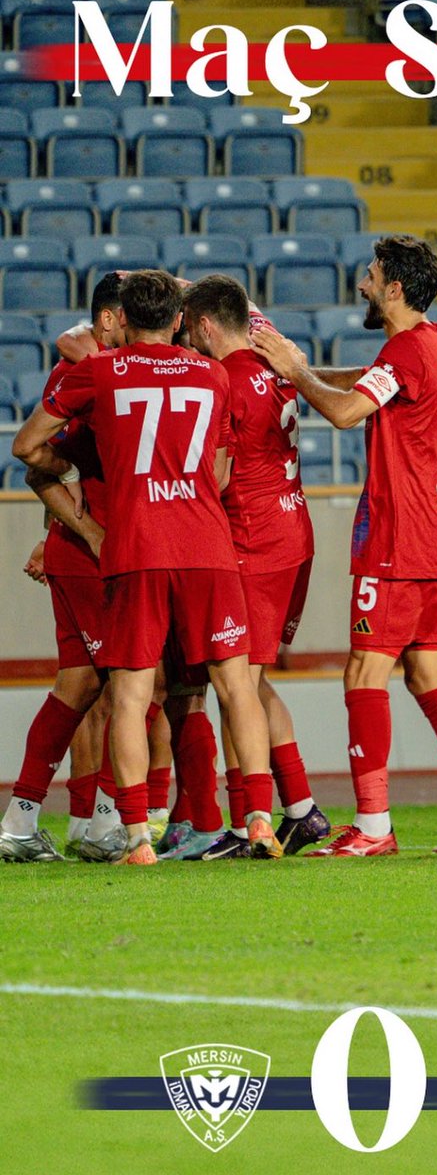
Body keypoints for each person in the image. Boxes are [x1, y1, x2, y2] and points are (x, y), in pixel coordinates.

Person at [251, 234, 437, 855]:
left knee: (364, 671)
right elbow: (365, 383)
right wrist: (297, 372)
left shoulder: (404, 349)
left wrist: (295, 372)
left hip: (398, 536)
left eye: (371, 276)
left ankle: (373, 826)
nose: (363, 284)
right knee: (426, 672)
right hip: (435, 533)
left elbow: (347, 412)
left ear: (394, 287)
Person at [13, 269, 274, 865]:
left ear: (124, 319)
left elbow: (25, 446)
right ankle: (259, 819)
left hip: (136, 549)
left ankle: (135, 837)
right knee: (236, 685)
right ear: (179, 320)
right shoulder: (212, 374)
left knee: (130, 694)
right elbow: (221, 473)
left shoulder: (100, 371)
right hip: (207, 547)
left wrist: (74, 469)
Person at [182, 274, 330, 858]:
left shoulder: (223, 378)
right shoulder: (274, 361)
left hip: (253, 540)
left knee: (235, 684)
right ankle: (301, 810)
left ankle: (250, 824)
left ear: (205, 326)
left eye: (190, 330)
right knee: (254, 682)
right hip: (293, 532)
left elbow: (217, 475)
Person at [0, 275, 122, 862]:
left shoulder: (92, 368)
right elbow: (32, 460)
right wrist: (88, 530)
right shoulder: (89, 376)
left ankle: (22, 823)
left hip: (77, 549)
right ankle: (104, 823)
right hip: (92, 554)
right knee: (133, 682)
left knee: (79, 684)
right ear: (108, 320)